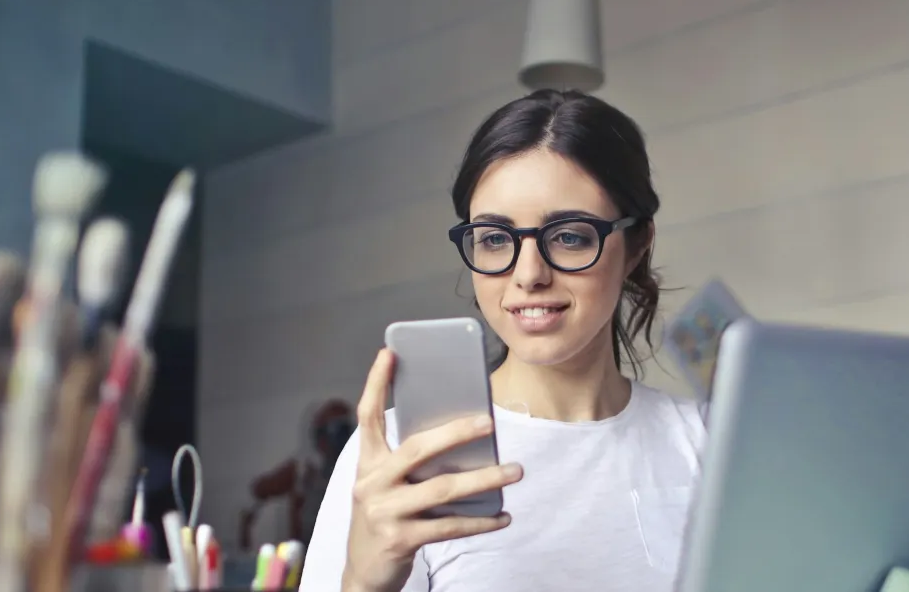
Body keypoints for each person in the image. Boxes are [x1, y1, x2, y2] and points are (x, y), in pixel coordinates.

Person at [299, 90, 708, 592]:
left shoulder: (707, 444)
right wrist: (362, 582)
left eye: (570, 236)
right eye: (495, 239)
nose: (528, 274)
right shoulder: (399, 458)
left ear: (637, 245)